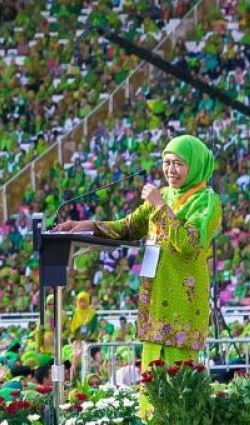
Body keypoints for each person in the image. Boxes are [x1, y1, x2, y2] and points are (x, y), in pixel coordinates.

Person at [54, 135, 222, 403]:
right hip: (154, 301)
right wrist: (84, 225)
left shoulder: (206, 202)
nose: (170, 170)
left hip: (182, 306)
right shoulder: (165, 195)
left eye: (178, 163)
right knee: (151, 384)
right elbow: (128, 227)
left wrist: (158, 206)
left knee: (179, 386)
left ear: (196, 165)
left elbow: (189, 244)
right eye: (166, 162)